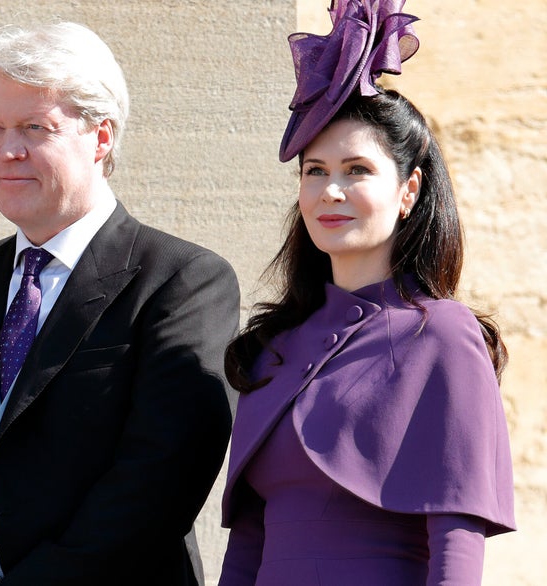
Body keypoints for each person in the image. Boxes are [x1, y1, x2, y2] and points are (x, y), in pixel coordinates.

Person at [0, 22, 240, 586]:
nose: (7, 150)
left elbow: (157, 486)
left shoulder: (183, 282)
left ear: (102, 137)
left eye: (34, 128)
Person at [218, 1, 515, 585]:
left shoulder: (442, 334)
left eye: (357, 170)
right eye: (314, 171)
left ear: (409, 191)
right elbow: (248, 546)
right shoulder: (275, 348)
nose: (331, 190)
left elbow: (456, 546)